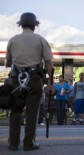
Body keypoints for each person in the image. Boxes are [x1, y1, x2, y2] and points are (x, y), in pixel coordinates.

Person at [5, 12, 54, 151]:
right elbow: (49, 64)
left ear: (20, 25)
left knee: (15, 111)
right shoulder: (40, 39)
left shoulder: (13, 40)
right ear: (35, 25)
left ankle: (13, 144)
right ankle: (29, 143)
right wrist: (49, 83)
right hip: (34, 79)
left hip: (16, 80)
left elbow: (8, 63)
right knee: (32, 112)